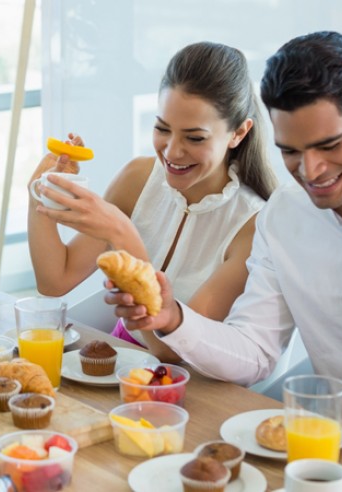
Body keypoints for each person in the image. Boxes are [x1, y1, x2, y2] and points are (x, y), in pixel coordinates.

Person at [109, 31, 342, 451]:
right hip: (330, 453)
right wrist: (174, 319)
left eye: (329, 145)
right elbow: (254, 352)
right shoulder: (284, 215)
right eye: (290, 152)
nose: (312, 171)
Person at [27, 42, 276, 362]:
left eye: (194, 137)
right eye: (162, 128)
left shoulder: (253, 226)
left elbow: (172, 352)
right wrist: (39, 192)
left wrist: (124, 238)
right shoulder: (138, 178)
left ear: (238, 133)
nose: (172, 151)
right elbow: (54, 280)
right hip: (119, 360)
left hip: (188, 387)